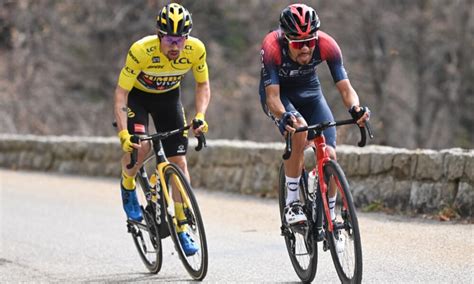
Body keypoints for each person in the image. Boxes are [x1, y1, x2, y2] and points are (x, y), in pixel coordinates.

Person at [113, 3, 210, 256]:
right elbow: (121, 93)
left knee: (178, 162)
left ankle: (181, 224)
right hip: (138, 99)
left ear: (187, 38)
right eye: (169, 39)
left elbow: (203, 85)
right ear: (159, 35)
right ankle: (128, 183)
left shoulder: (196, 50)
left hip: (169, 100)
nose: (175, 45)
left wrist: (200, 115)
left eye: (180, 39)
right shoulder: (140, 51)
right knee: (141, 145)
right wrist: (124, 134)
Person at [259, 4, 370, 225]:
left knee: (330, 154)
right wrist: (283, 116)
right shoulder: (272, 46)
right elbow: (272, 97)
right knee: (299, 129)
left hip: (311, 95)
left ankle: (331, 215)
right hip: (281, 96)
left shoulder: (327, 44)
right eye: (299, 44)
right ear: (286, 39)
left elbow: (346, 89)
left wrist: (356, 109)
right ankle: (292, 203)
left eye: (310, 42)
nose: (305, 49)